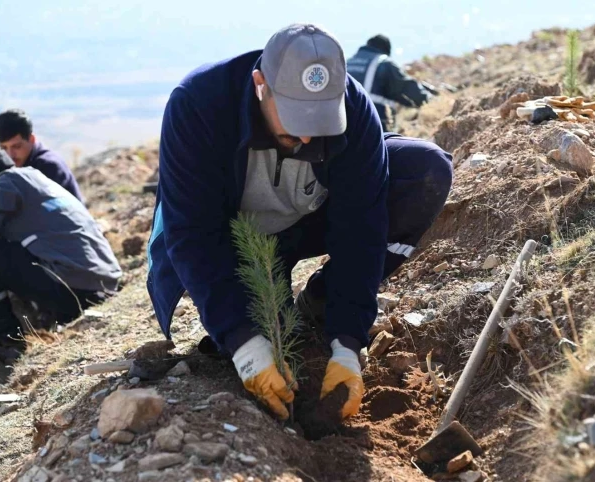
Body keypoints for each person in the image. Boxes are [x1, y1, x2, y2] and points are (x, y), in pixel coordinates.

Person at [147, 23, 452, 421]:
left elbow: (361, 229)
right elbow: (193, 234)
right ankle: (262, 313)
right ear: (261, 85)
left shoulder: (354, 112)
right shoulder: (199, 105)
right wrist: (244, 344)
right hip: (235, 242)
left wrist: (347, 344)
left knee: (426, 170)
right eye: (294, 117)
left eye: (320, 119)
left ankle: (320, 303)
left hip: (305, 220)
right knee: (263, 336)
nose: (307, 136)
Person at [0, 147, 122, 361]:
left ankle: (9, 341)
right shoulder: (36, 177)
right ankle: (49, 316)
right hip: (105, 282)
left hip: (75, 287)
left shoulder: (7, 181)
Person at [0, 109, 85, 203]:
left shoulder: (49, 166)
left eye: (16, 146)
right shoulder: (15, 164)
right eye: (3, 147)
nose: (10, 155)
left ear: (31, 139)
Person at [346, 34, 432, 131]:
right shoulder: (384, 64)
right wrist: (432, 98)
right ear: (386, 50)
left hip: (344, 127)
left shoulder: (347, 63)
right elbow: (409, 92)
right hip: (372, 128)